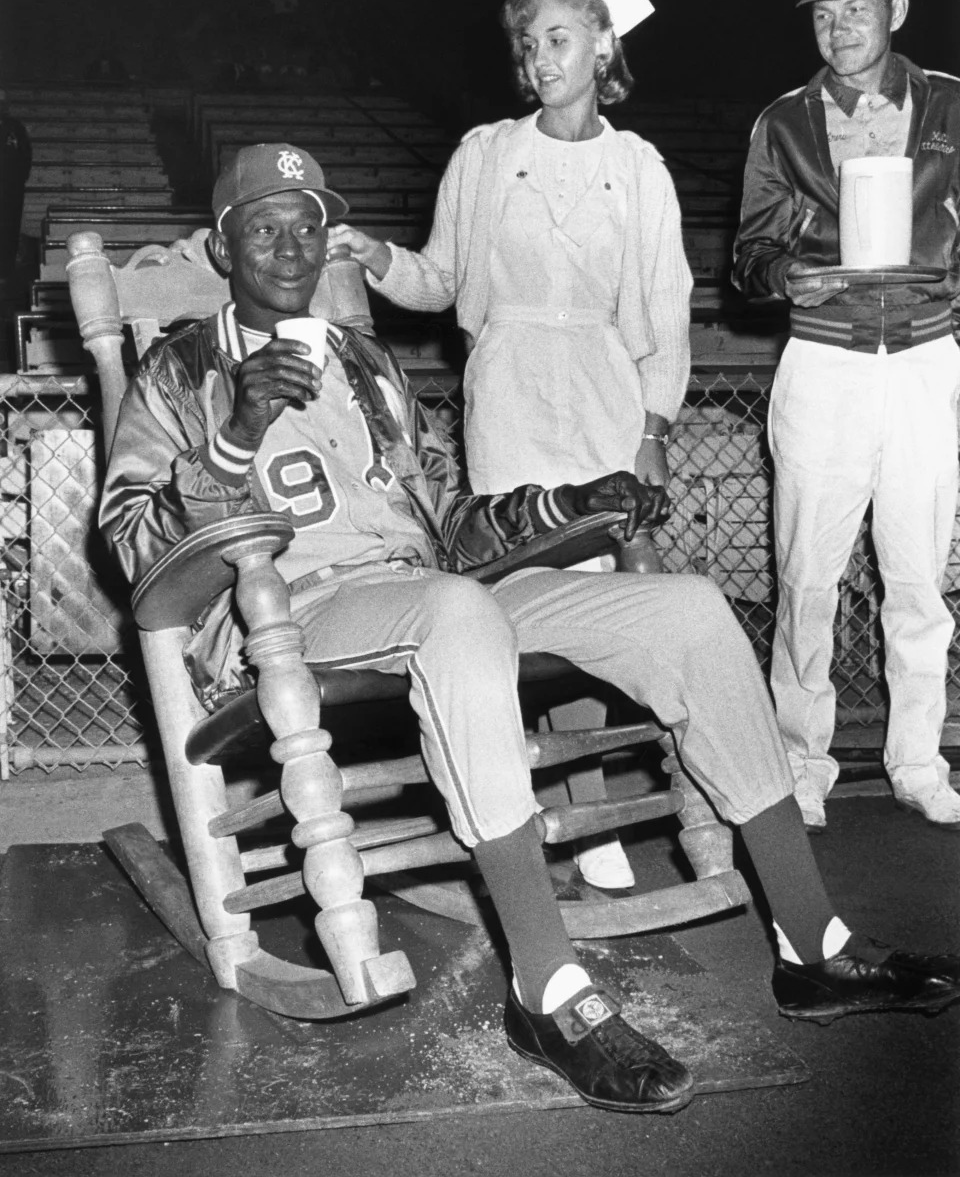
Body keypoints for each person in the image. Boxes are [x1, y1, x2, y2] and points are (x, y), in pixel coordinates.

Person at [101, 144, 960, 1115]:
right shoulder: (180, 367)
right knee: (457, 613)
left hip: (422, 588)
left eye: (307, 226)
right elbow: (136, 553)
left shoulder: (363, 362)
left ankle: (815, 945)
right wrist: (229, 439)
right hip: (286, 616)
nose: (292, 246)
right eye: (265, 227)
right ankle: (547, 990)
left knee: (688, 608)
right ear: (223, 246)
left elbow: (453, 529)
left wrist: (566, 502)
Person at [327, 0, 686, 890]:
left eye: (559, 39)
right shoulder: (484, 153)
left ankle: (617, 794)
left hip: (606, 395)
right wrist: (373, 257)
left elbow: (668, 315)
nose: (540, 60)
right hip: (511, 397)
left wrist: (650, 430)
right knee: (524, 605)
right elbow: (441, 283)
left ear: (604, 44)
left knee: (618, 606)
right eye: (529, 46)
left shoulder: (638, 167)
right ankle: (559, 808)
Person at [732, 0, 960, 833]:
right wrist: (792, 276)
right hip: (822, 360)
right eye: (826, 15)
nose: (840, 28)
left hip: (922, 359)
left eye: (857, 9)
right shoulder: (781, 122)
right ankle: (801, 760)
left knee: (917, 576)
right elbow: (748, 258)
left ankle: (917, 759)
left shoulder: (950, 104)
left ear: (895, 10)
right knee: (807, 576)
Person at [0, 90, 31, 277]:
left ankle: (4, 269)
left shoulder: (16, 127)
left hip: (10, 189)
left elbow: (25, 155)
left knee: (9, 228)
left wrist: (18, 181)